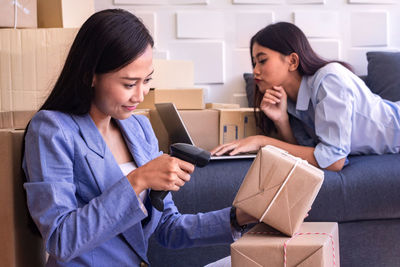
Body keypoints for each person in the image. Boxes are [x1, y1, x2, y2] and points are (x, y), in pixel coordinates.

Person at [22, 9, 255, 266]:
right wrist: (138, 180)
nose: (140, 95)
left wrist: (239, 217)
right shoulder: (51, 130)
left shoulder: (139, 128)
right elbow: (61, 239)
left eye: (147, 81)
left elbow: (169, 227)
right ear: (90, 75)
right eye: (129, 84)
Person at [211, 22, 400, 172]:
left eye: (262, 60)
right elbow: (306, 154)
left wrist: (263, 141)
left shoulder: (329, 79)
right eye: (254, 63)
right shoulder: (291, 101)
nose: (255, 71)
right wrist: (282, 121)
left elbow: (333, 161)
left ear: (292, 61)